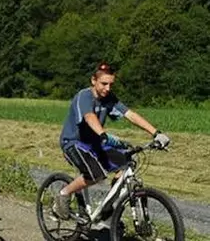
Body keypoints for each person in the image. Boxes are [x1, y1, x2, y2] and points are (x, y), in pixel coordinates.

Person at [53, 62, 170, 225]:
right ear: (93, 80)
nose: (107, 88)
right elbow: (89, 117)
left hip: (95, 143)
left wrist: (156, 133)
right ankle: (64, 194)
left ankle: (107, 206)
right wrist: (103, 134)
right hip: (74, 142)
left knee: (126, 165)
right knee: (96, 174)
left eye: (111, 84)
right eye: (104, 84)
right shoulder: (84, 96)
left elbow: (130, 114)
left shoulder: (109, 98)